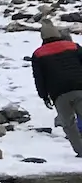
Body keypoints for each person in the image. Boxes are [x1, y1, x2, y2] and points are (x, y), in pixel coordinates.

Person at [31, 18, 82, 156]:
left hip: (59, 94)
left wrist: (44, 97)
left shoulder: (38, 54)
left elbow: (39, 78)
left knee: (68, 124)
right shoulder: (74, 46)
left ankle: (80, 150)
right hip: (80, 88)